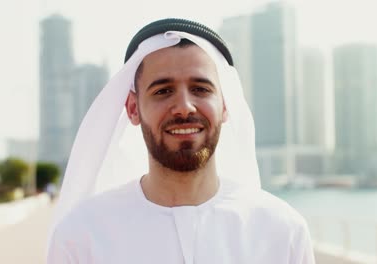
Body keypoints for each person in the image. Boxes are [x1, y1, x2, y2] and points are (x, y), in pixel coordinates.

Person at [47, 18, 315, 263]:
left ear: (225, 106)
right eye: (163, 91)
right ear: (133, 109)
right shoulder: (81, 237)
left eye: (200, 89)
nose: (184, 107)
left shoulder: (282, 232)